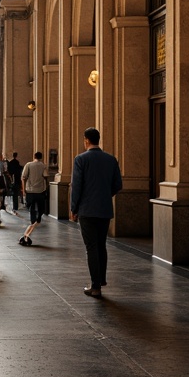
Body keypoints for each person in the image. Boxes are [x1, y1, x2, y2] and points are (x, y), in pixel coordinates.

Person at [69, 127, 122, 298]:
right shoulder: (111, 160)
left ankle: (95, 286)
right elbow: (118, 185)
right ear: (98, 140)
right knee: (101, 245)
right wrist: (106, 195)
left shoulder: (80, 159)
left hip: (87, 210)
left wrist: (73, 208)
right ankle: (101, 279)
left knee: (91, 247)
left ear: (86, 140)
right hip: (105, 209)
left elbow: (76, 186)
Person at [19, 150, 48, 246]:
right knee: (40, 209)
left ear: (34, 156)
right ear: (41, 157)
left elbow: (23, 177)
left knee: (31, 208)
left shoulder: (28, 165)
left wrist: (24, 190)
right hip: (40, 191)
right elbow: (45, 177)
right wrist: (46, 188)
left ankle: (32, 221)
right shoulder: (43, 166)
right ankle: (37, 219)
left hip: (30, 191)